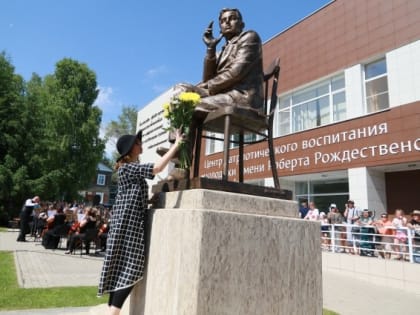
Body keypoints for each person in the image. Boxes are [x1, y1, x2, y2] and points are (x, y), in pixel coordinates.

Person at [98, 128, 184, 315]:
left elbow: (137, 193)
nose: (140, 144)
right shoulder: (128, 168)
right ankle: (114, 312)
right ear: (131, 149)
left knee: (120, 267)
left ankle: (111, 311)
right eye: (137, 142)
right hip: (129, 226)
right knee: (131, 267)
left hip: (126, 224)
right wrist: (176, 144)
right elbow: (157, 168)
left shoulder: (127, 169)